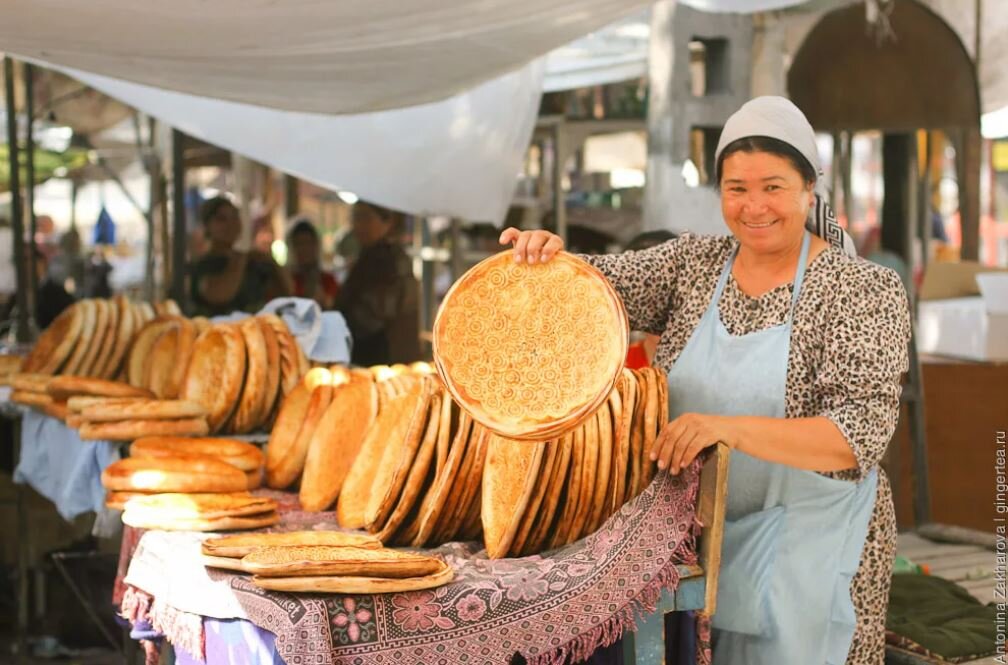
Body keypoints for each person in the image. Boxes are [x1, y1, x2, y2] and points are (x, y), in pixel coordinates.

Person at [500, 97, 910, 665]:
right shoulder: (693, 266)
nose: (754, 206)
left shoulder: (861, 289)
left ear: (809, 189)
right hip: (697, 545)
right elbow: (591, 290)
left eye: (773, 186)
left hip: (810, 549)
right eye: (736, 188)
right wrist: (547, 256)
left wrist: (727, 430)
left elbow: (856, 436)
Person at [337, 201, 420, 366]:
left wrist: (342, 323)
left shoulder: (390, 259)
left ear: (386, 223)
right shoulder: (369, 256)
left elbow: (380, 308)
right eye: (355, 218)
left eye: (365, 218)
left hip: (385, 356)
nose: (358, 225)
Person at [189, 196, 291, 316]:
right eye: (221, 219)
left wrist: (271, 262)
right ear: (208, 225)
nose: (231, 224)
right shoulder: (202, 266)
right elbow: (218, 295)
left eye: (234, 216)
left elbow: (285, 292)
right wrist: (239, 261)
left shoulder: (253, 261)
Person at [287, 218, 339, 310]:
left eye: (308, 243)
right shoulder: (287, 279)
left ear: (316, 245)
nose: (303, 249)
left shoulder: (328, 280)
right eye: (299, 244)